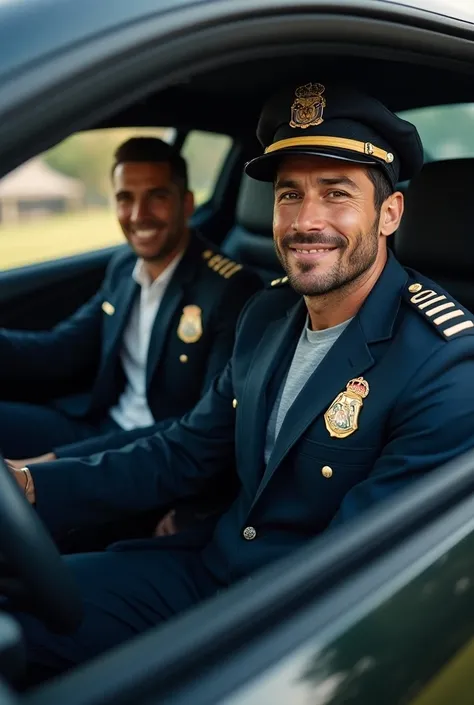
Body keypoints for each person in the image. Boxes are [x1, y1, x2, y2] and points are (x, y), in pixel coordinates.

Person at [9, 80, 474, 685]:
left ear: (389, 213)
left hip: (285, 623)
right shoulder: (267, 314)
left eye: (336, 194)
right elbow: (184, 451)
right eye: (289, 195)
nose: (306, 220)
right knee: (16, 615)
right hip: (206, 567)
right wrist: (31, 486)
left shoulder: (443, 361)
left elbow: (357, 577)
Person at [0, 137, 262, 465]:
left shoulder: (228, 290)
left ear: (187, 204)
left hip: (157, 452)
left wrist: (54, 461)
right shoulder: (125, 267)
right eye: (126, 198)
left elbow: (202, 425)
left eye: (157, 197)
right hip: (98, 425)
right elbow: (62, 349)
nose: (139, 215)